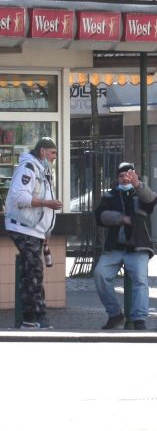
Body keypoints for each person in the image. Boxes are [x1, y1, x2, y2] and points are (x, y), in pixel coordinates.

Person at [4, 137, 63, 329]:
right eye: (52, 153)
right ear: (43, 152)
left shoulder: (42, 170)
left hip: (34, 230)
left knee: (33, 271)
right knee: (33, 271)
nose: (54, 157)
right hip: (22, 227)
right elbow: (19, 197)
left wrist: (46, 230)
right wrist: (48, 204)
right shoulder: (29, 168)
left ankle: (32, 317)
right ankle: (33, 317)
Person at [93, 162, 157, 330]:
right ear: (117, 178)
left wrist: (138, 185)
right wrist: (121, 218)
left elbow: (151, 201)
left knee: (140, 280)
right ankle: (115, 314)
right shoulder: (110, 196)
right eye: (121, 176)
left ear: (134, 176)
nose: (124, 178)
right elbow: (100, 216)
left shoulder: (141, 193)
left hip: (138, 246)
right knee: (100, 274)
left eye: (128, 175)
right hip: (115, 247)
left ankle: (139, 318)